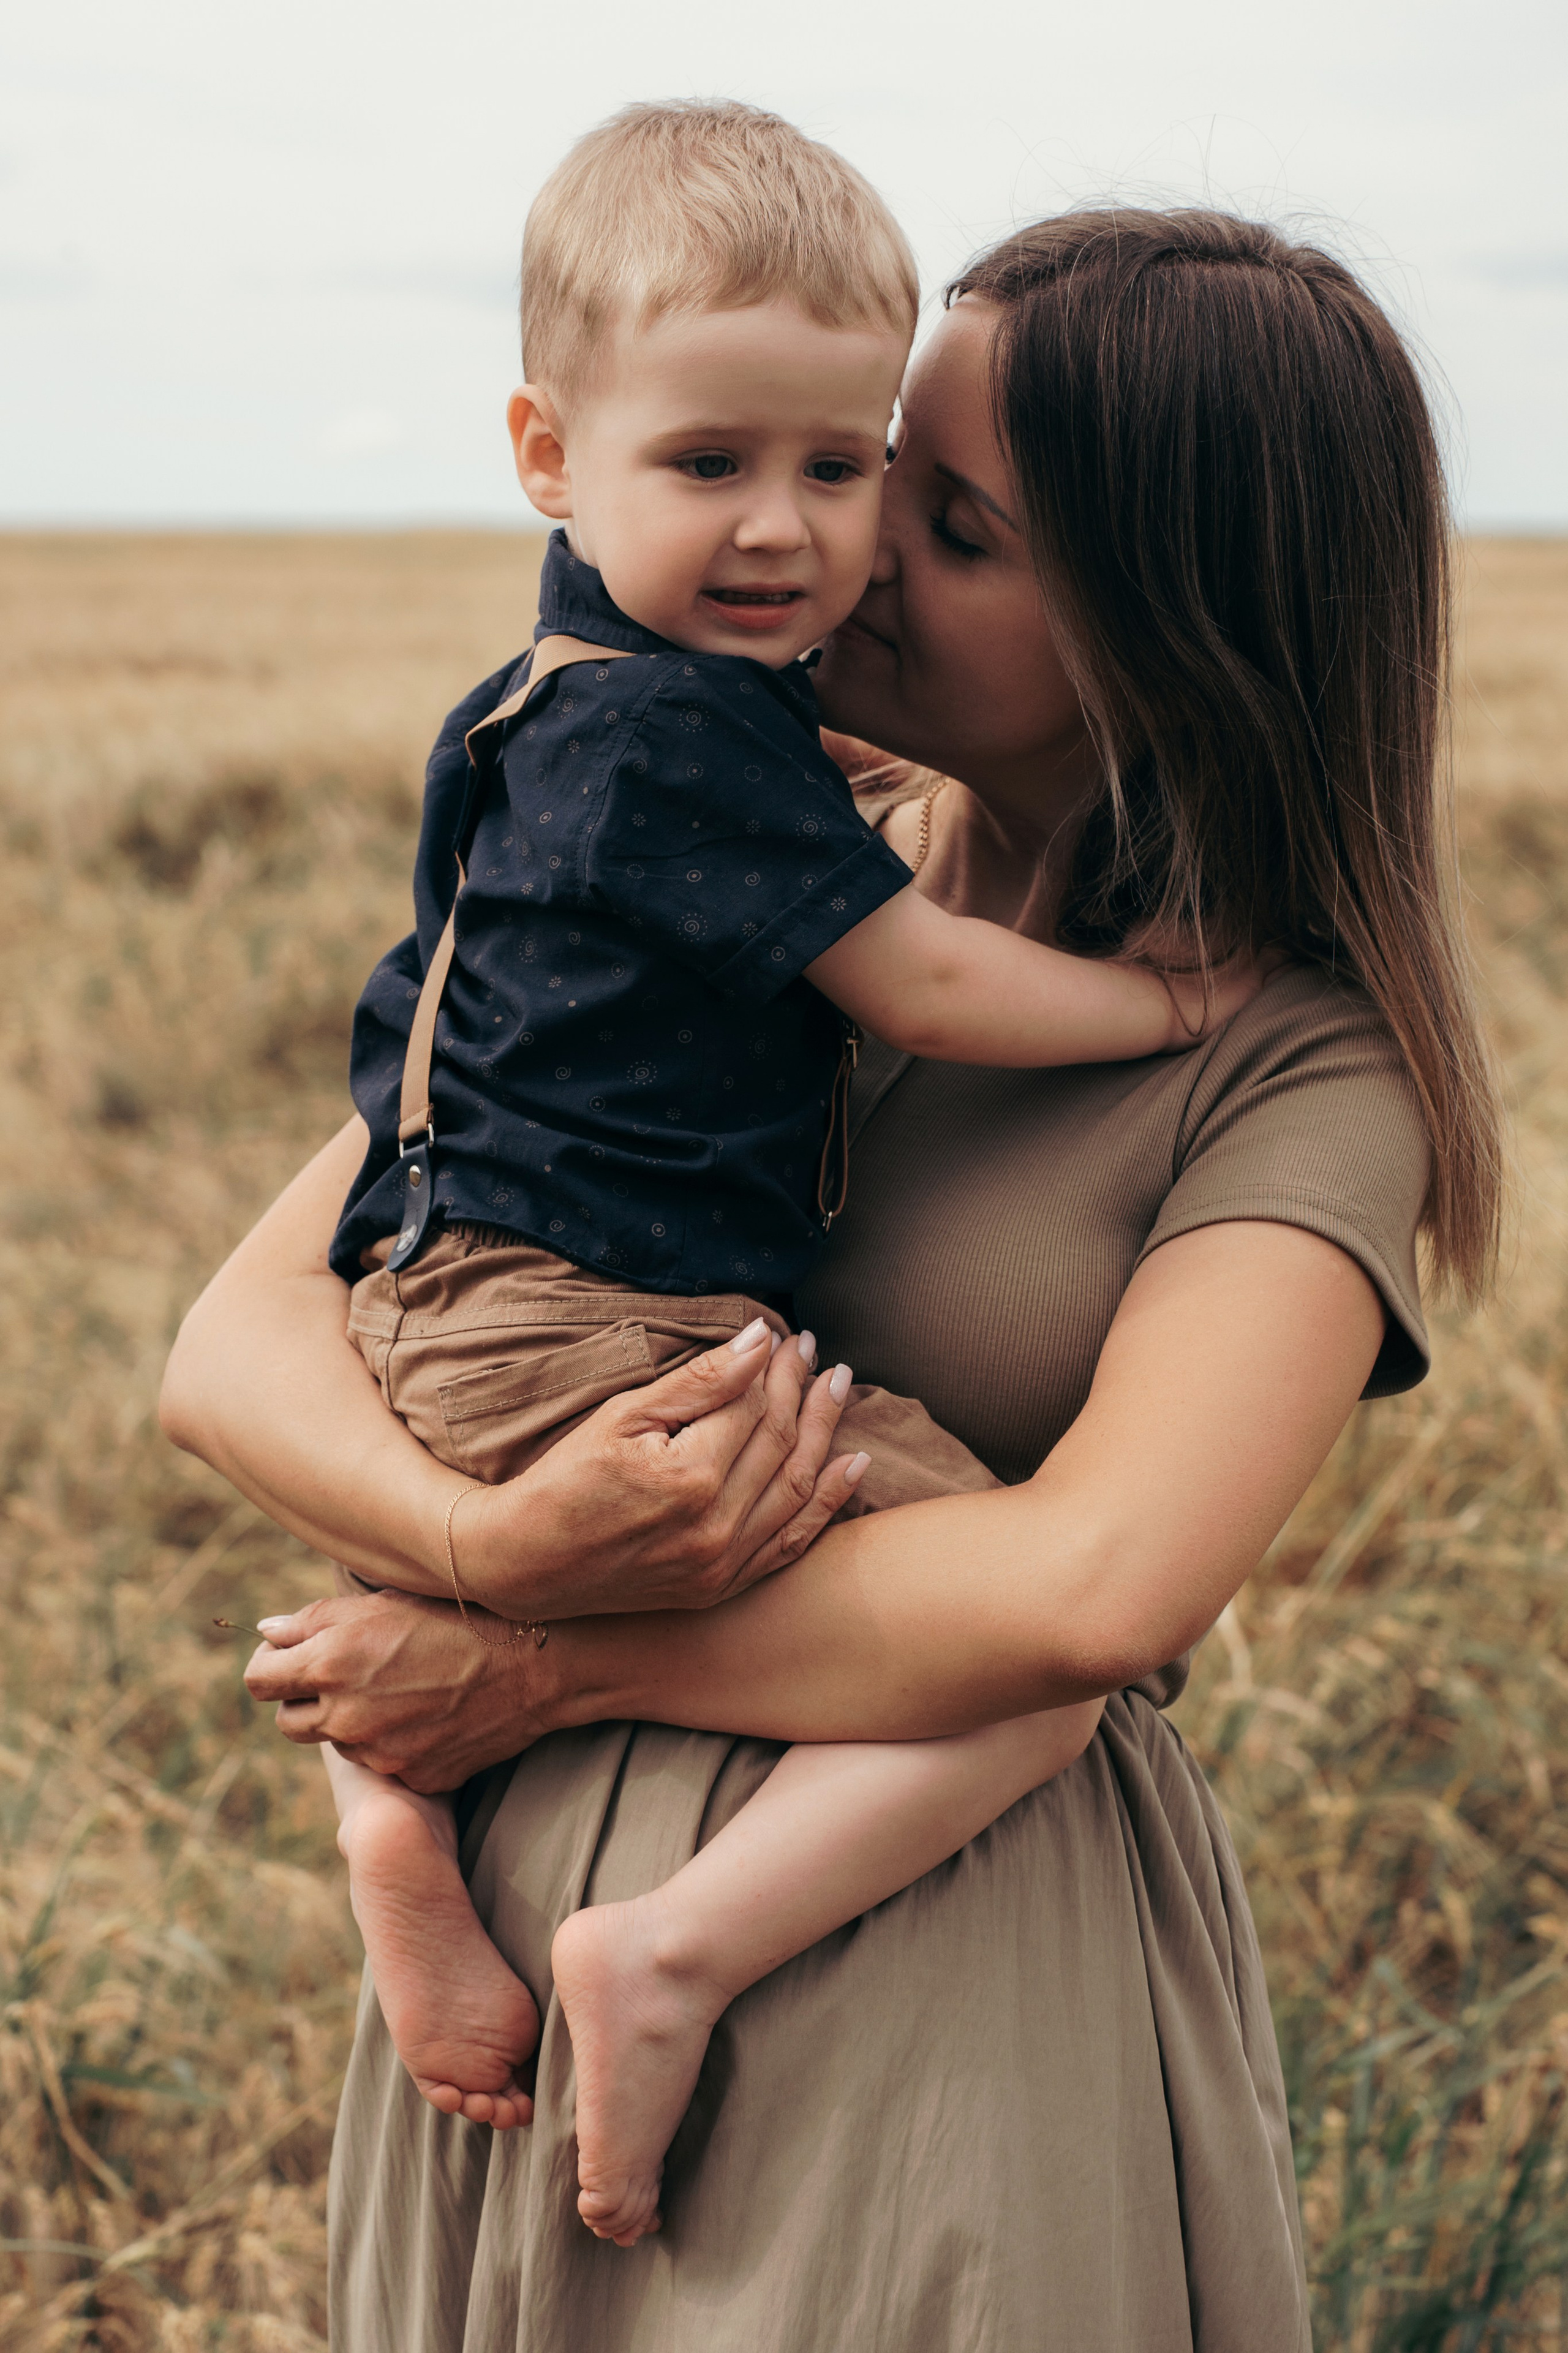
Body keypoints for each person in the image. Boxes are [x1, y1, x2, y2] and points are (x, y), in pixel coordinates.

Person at [162, 198, 1503, 2352]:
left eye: (944, 520)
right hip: (505, 1969)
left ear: (1175, 627)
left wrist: (537, 1661)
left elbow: (1092, 1597)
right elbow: (244, 1338)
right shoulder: (758, 854)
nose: (845, 545)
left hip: (923, 1984)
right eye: (886, 465)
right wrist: (486, 1540)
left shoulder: (1298, 1066)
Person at [322, 100, 1254, 2249]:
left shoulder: (587, 699)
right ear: (548, 455)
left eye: (845, 475)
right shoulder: (676, 739)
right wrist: (1161, 1007)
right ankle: (679, 1944)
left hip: (466, 1293)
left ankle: (395, 1787)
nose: (791, 534)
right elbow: (918, 983)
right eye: (713, 464)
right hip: (603, 1316)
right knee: (1041, 1630)